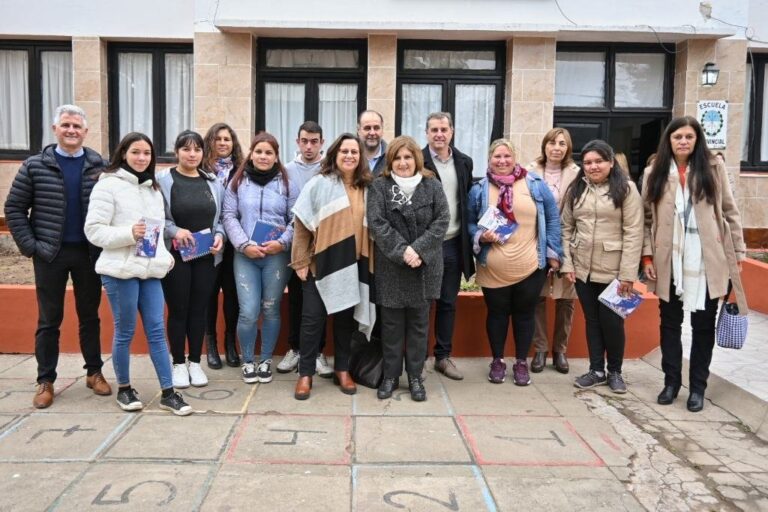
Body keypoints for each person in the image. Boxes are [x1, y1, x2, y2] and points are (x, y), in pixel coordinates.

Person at [4, 104, 112, 409]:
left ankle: (94, 372)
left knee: (90, 316)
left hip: (89, 253)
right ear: (55, 130)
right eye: (66, 125)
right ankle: (46, 380)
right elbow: (14, 209)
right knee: (49, 319)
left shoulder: (98, 166)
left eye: (77, 126)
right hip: (50, 253)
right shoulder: (35, 165)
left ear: (86, 132)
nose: (71, 131)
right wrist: (31, 246)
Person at [642, 116, 746, 412]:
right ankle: (671, 382)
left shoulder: (713, 168)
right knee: (670, 324)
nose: (683, 142)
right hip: (668, 259)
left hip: (708, 259)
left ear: (697, 139)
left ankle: (697, 387)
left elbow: (730, 210)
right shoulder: (655, 171)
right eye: (678, 137)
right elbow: (647, 218)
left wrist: (738, 252)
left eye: (689, 136)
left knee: (703, 327)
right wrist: (647, 256)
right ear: (669, 141)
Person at [83, 132, 192, 415]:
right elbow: (93, 230)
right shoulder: (107, 185)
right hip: (120, 271)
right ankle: (125, 389)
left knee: (157, 330)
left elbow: (156, 232)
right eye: (136, 152)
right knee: (126, 331)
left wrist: (165, 258)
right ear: (123, 154)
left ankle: (169, 392)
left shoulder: (153, 189)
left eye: (147, 153)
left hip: (150, 270)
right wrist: (128, 234)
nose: (142, 158)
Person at [467, 139, 562, 386]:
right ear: (489, 159)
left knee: (524, 314)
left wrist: (553, 253)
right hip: (493, 267)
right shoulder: (479, 189)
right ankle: (497, 360)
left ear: (515, 157)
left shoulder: (534, 185)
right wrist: (479, 235)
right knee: (497, 315)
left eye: (507, 156)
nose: (502, 161)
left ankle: (521, 363)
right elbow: (469, 223)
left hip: (531, 265)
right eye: (497, 157)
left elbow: (552, 219)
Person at [290, 133, 376, 400]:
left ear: (360, 157)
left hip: (354, 266)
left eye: (354, 152)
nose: (349, 156)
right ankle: (305, 374)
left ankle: (342, 370)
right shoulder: (319, 184)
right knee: (311, 322)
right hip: (321, 264)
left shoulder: (367, 188)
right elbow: (302, 224)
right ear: (335, 155)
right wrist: (301, 260)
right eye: (344, 151)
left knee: (344, 323)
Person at [367, 136, 449, 401]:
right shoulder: (380, 186)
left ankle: (415, 377)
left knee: (418, 326)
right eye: (397, 158)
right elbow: (377, 223)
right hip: (392, 266)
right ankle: (391, 376)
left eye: (408, 157)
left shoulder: (432, 185)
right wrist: (403, 251)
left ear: (417, 158)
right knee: (390, 326)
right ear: (390, 161)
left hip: (424, 267)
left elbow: (442, 220)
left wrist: (419, 250)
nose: (403, 163)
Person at [560, 139, 643, 394]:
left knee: (612, 322)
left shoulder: (626, 189)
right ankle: (596, 369)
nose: (593, 166)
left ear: (610, 162)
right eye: (587, 162)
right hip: (583, 268)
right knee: (592, 321)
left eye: (598, 161)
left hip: (614, 271)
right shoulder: (577, 190)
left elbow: (634, 232)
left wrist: (628, 274)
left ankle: (615, 371)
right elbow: (566, 228)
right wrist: (567, 263)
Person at [222, 132, 298, 384]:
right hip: (246, 256)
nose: (263, 157)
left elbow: (295, 219)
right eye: (259, 152)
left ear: (276, 156)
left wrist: (282, 243)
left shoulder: (287, 183)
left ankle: (265, 359)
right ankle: (247, 361)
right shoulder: (238, 182)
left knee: (270, 308)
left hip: (276, 256)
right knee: (249, 311)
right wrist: (244, 245)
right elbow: (229, 216)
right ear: (251, 154)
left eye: (269, 152)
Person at [159, 130, 226, 389]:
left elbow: (219, 219)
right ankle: (177, 363)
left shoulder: (212, 182)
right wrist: (175, 231)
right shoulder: (163, 180)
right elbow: (156, 217)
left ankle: (195, 362)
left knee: (199, 309)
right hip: (176, 257)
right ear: (177, 152)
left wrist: (220, 236)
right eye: (186, 149)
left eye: (197, 149)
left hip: (205, 256)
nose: (192, 154)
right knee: (178, 309)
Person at [422, 112, 475, 381]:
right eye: (434, 130)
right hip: (424, 245)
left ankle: (443, 356)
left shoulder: (464, 162)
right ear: (426, 133)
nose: (439, 134)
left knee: (447, 303)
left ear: (451, 131)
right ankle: (418, 358)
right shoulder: (417, 161)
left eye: (444, 129)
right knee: (420, 302)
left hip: (453, 243)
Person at [280, 121, 333, 378]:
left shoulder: (329, 169)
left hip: (323, 247)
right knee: (297, 301)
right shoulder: (286, 171)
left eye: (314, 141)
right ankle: (296, 349)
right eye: (305, 141)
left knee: (319, 302)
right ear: (297, 141)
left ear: (322, 142)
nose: (309, 146)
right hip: (294, 245)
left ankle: (318, 352)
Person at [529, 128, 580, 374]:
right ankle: (539, 349)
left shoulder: (577, 174)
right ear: (544, 145)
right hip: (537, 241)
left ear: (568, 148)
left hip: (568, 243)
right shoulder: (530, 171)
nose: (556, 147)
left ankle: (560, 350)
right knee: (537, 297)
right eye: (552, 142)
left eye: (562, 143)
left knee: (566, 300)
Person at [202, 123, 244, 369]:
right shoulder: (202, 169)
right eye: (218, 139)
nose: (223, 143)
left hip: (235, 242)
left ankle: (230, 343)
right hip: (208, 242)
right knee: (209, 294)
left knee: (232, 295)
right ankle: (211, 344)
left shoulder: (241, 170)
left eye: (227, 139)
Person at [357, 110, 388, 176]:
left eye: (376, 128)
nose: (372, 133)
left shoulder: (392, 157)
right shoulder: (350, 157)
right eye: (367, 128)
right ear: (358, 131)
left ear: (382, 130)